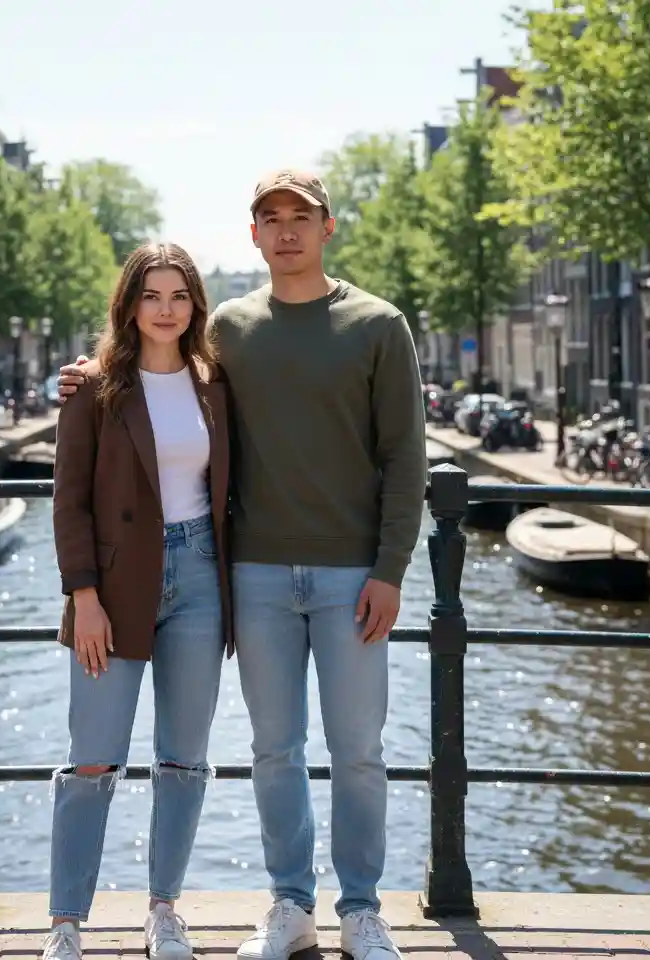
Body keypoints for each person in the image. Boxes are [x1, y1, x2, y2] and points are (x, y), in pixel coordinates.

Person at [57, 170, 426, 960]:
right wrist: (85, 378)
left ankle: (362, 910)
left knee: (359, 750)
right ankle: (290, 904)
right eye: (271, 218)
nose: (286, 230)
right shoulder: (229, 330)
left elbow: (406, 459)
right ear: (252, 234)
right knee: (273, 749)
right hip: (252, 574)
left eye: (302, 217)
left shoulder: (378, 325)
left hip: (352, 575)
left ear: (329, 227)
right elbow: (153, 367)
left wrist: (392, 569)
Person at [43, 243, 233, 960]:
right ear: (127, 305)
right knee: (92, 760)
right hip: (114, 586)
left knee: (184, 759)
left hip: (199, 580)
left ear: (195, 306)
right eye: (150, 295)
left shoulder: (215, 384)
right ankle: (65, 923)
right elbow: (70, 503)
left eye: (178, 295)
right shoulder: (93, 388)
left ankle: (163, 911)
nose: (165, 309)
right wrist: (83, 597)